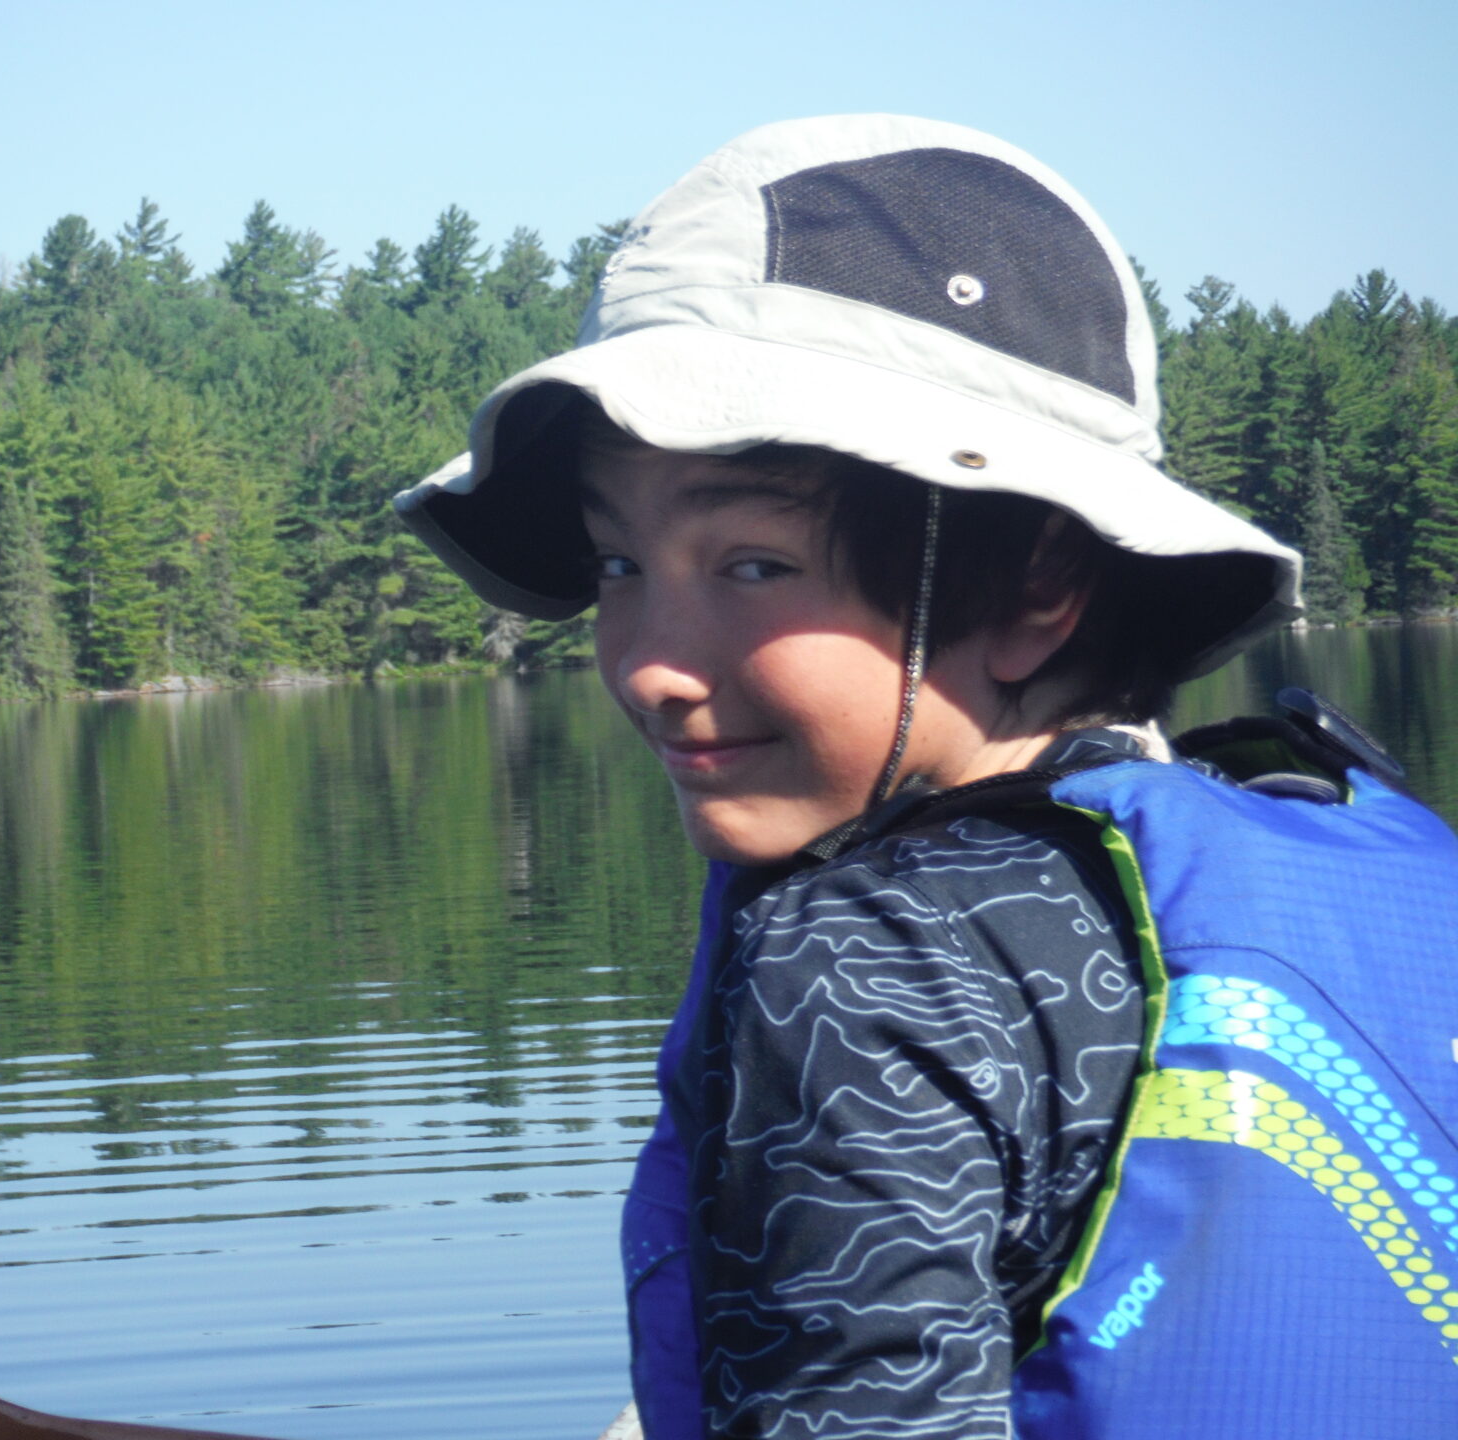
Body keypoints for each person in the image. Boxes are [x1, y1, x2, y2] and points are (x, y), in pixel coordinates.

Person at [394, 116, 1458, 1439]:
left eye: (753, 567)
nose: (649, 667)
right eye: (618, 567)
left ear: (1039, 584)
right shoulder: (1375, 871)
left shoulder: (866, 961)